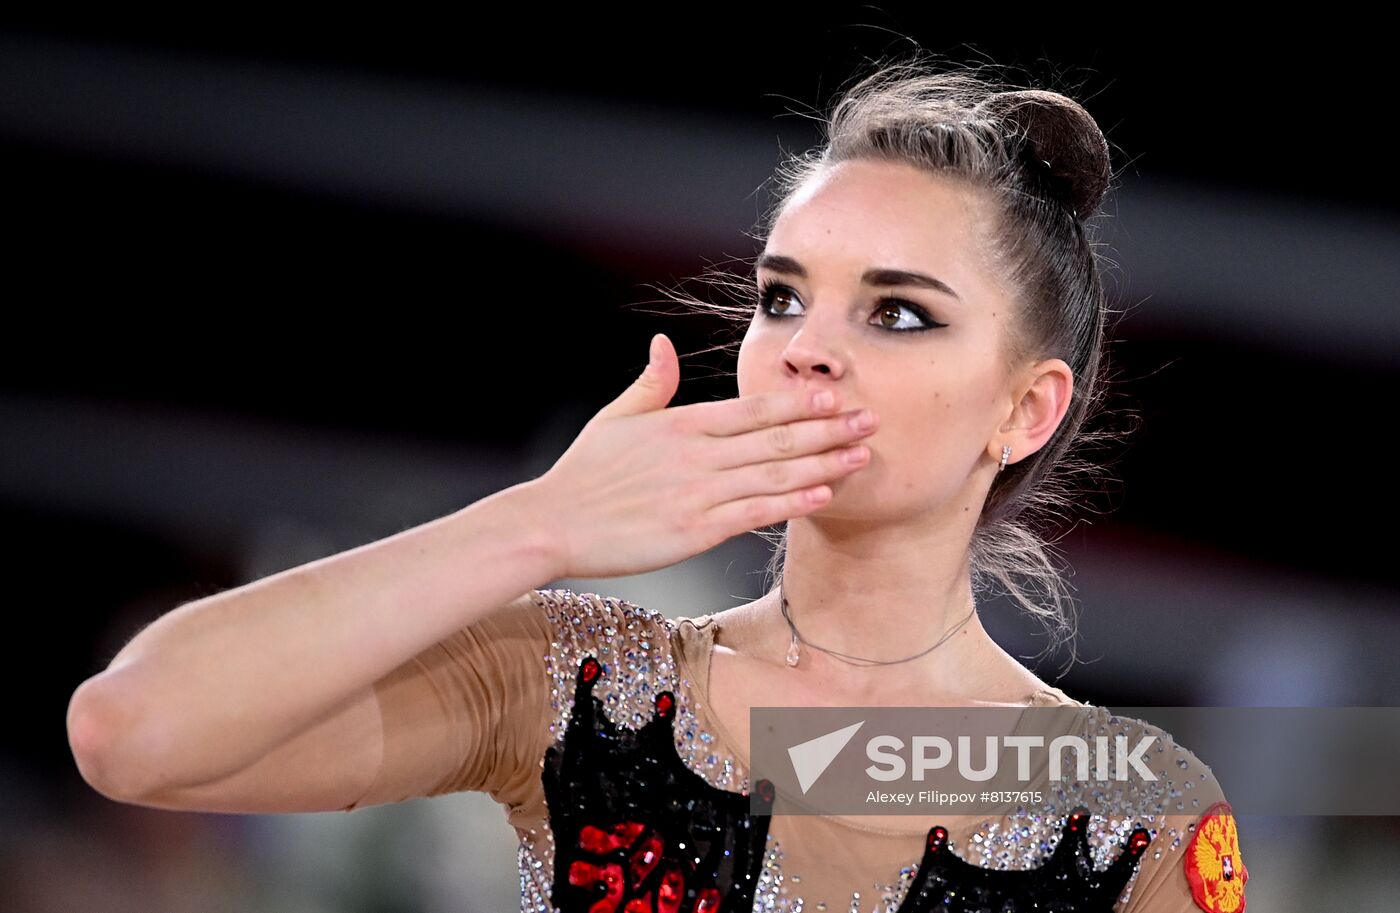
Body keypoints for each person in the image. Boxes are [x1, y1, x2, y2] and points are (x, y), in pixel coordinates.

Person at [66, 55, 1248, 913]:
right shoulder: (582, 684)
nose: (804, 346)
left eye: (896, 312)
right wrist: (538, 523)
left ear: (1023, 407)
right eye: (782, 295)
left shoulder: (1129, 811)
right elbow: (131, 731)